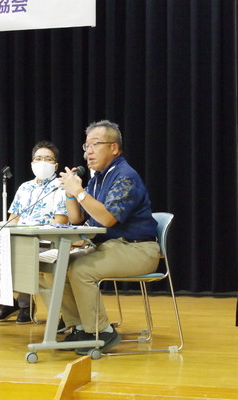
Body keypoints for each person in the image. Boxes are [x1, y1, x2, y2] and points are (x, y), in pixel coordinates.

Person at [57, 120, 160, 354]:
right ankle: (81, 327)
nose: (89, 152)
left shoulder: (125, 176)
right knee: (60, 265)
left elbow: (107, 219)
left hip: (138, 250)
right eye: (86, 146)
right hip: (111, 247)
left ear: (114, 148)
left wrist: (79, 191)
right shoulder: (98, 178)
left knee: (81, 270)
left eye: (95, 144)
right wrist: (70, 193)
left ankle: (102, 331)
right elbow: (76, 219)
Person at [0, 140, 68, 324]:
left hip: (46, 243)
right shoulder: (24, 187)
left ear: (56, 165)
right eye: (38, 158)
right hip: (21, 240)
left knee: (24, 254)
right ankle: (8, 302)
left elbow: (61, 222)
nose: (42, 162)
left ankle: (26, 305)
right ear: (32, 163)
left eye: (48, 159)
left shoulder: (61, 186)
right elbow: (13, 219)